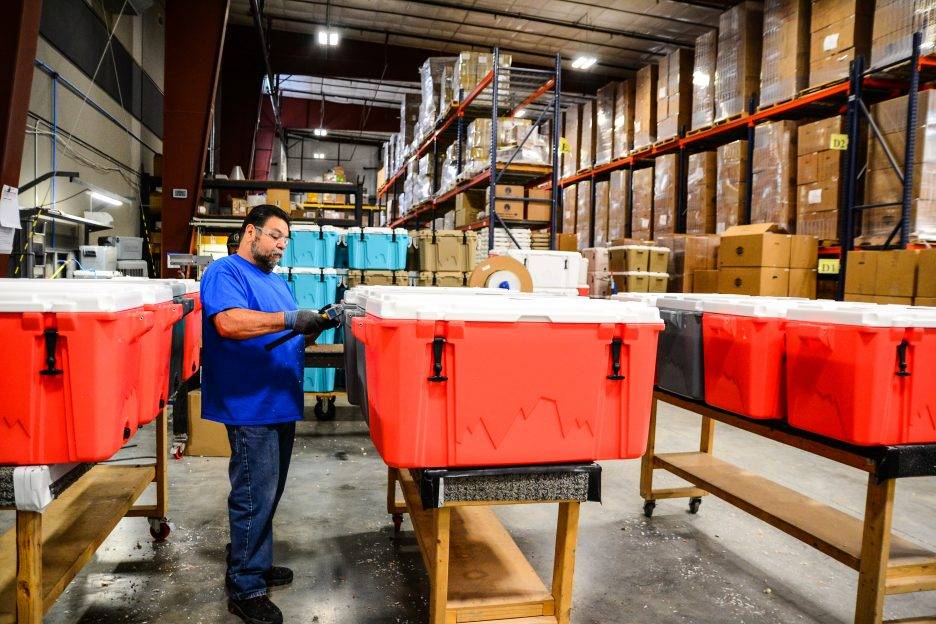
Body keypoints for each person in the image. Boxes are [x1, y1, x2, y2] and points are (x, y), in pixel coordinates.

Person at [200, 204, 338, 624]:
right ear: (250, 233)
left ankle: (249, 557)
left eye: (285, 239)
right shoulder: (226, 272)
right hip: (250, 404)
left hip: (278, 402)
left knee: (268, 493)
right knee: (252, 495)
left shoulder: (275, 282)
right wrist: (288, 318)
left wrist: (314, 323)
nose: (281, 245)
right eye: (275, 235)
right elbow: (229, 323)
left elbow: (283, 327)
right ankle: (247, 586)